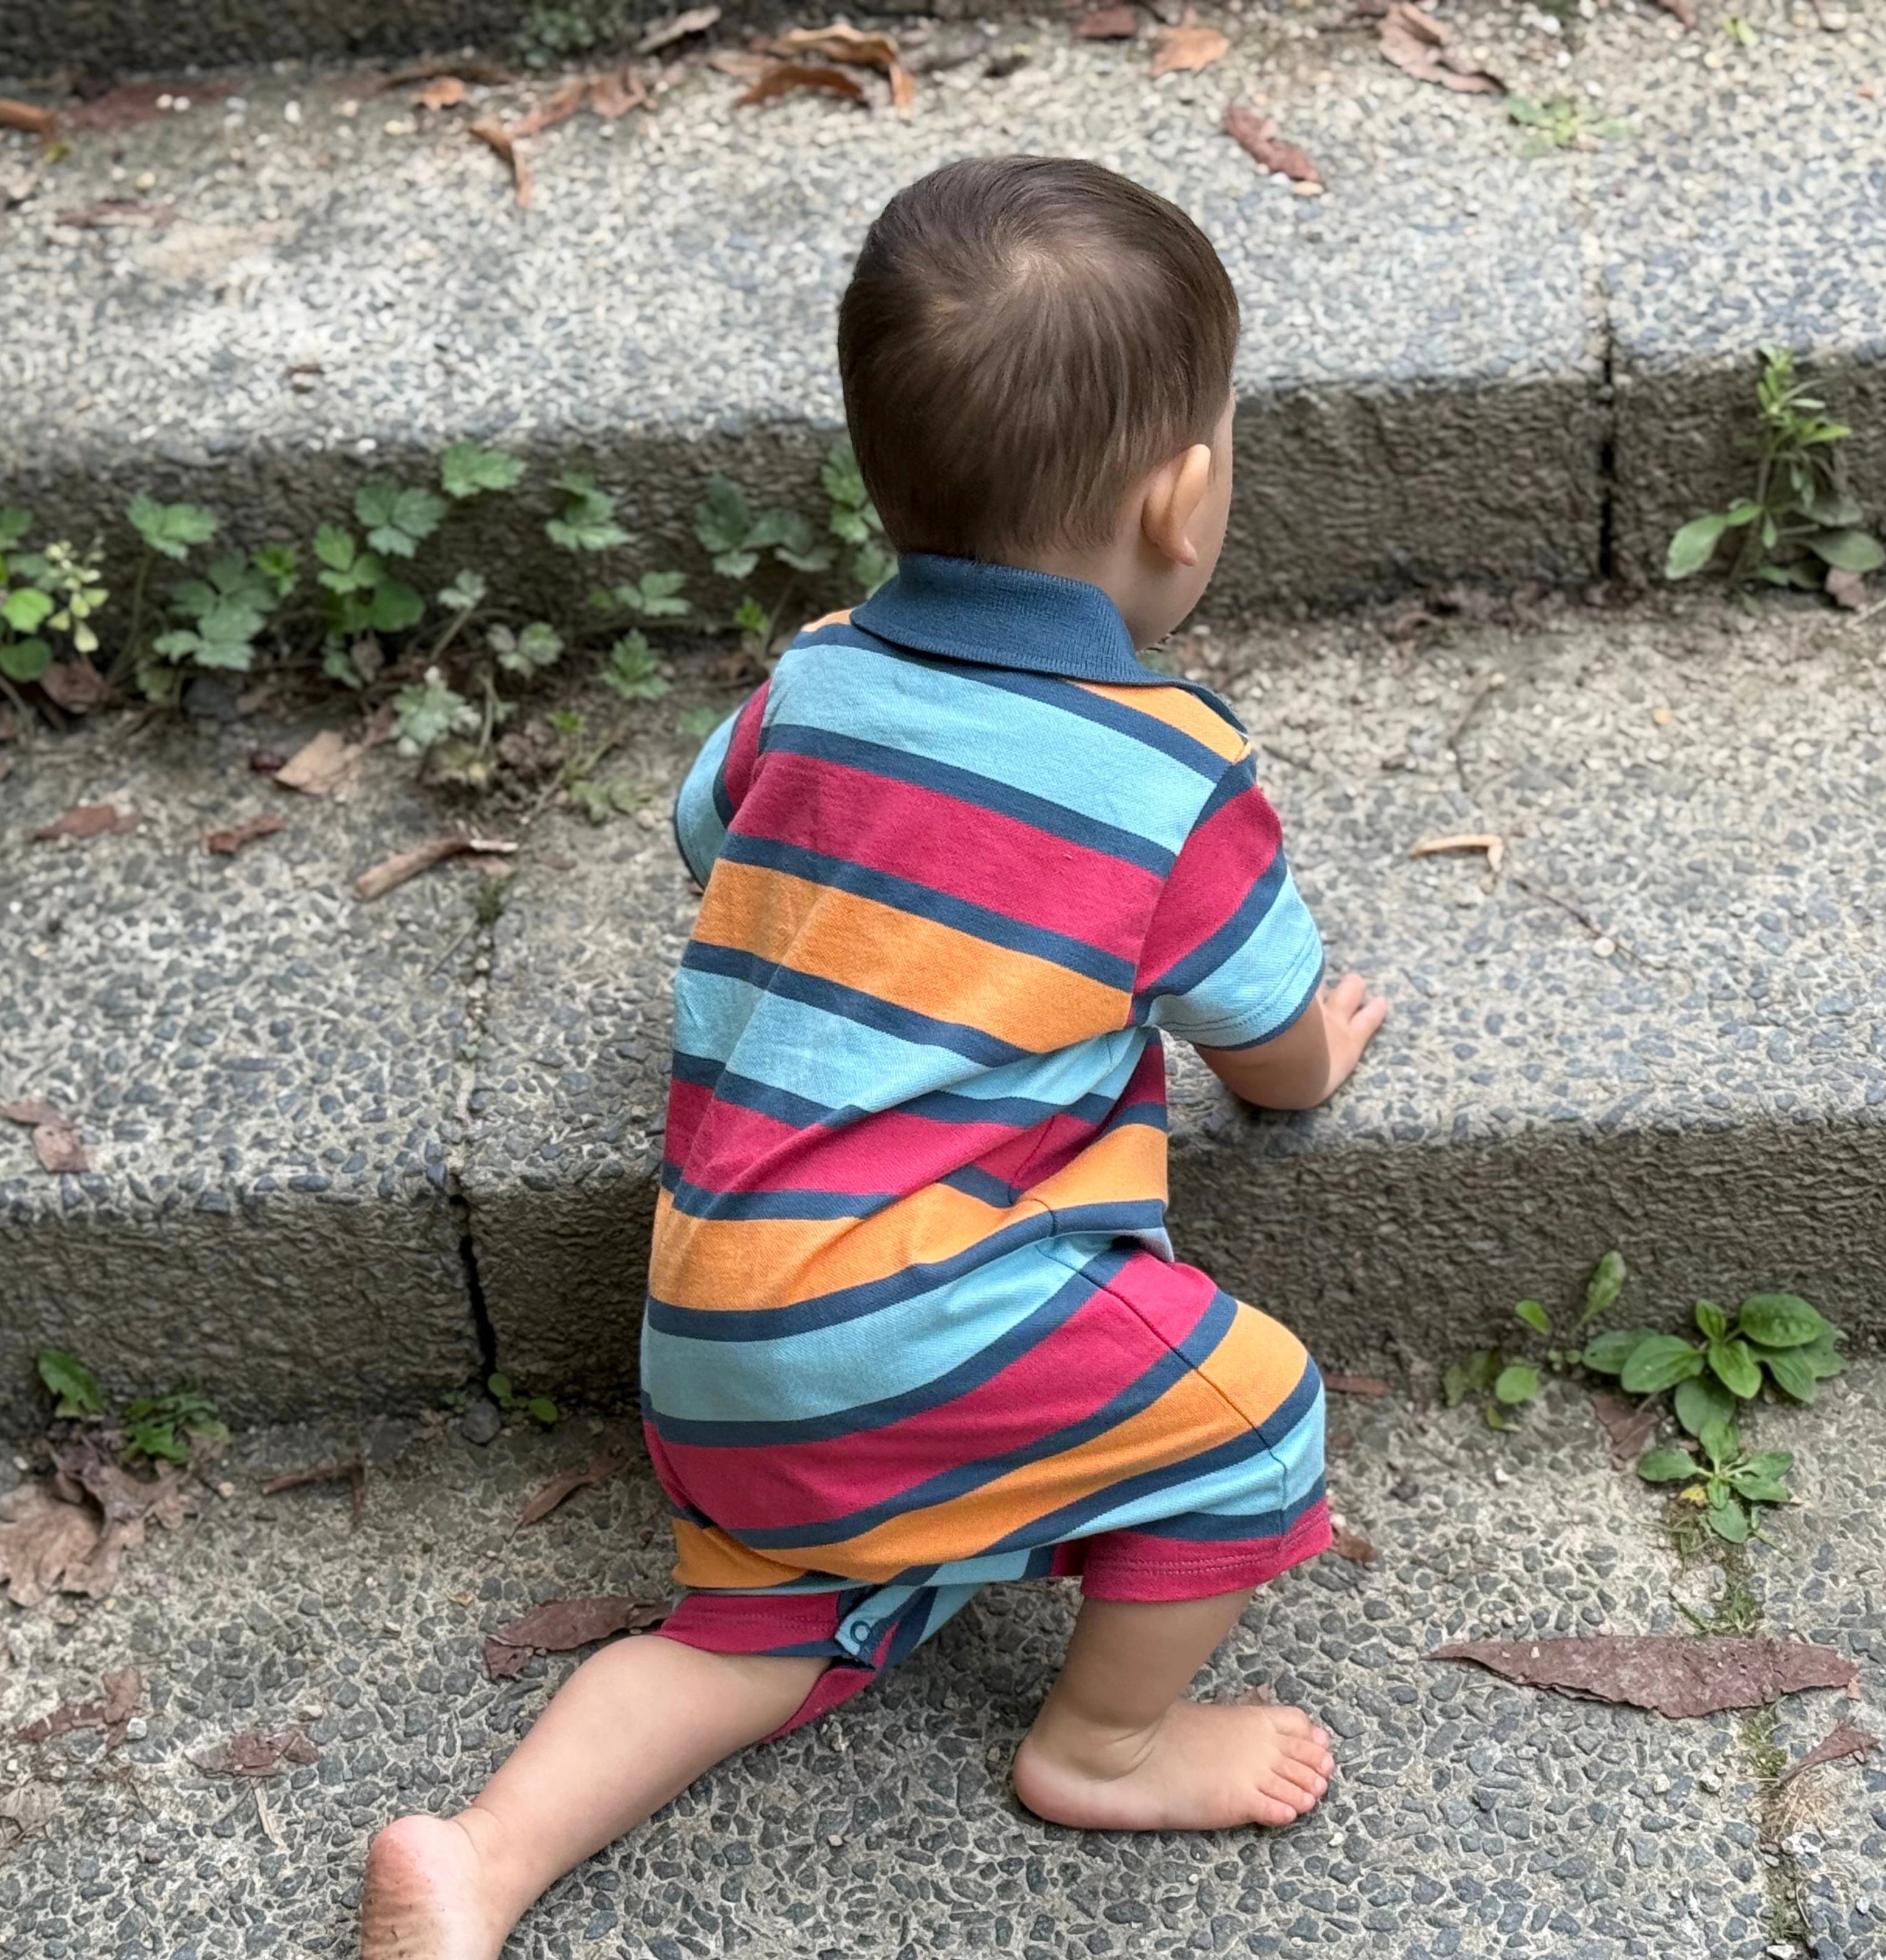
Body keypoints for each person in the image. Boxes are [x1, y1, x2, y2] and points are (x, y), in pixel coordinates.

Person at [361, 152, 1387, 1959]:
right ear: (1185, 499)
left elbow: (708, 824)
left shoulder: (815, 678)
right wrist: (1316, 1050)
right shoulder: (1174, 777)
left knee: (742, 1634)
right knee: (1258, 1413)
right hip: (922, 1313)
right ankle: (1106, 1741)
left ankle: (480, 1856)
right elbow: (1273, 1054)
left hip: (716, 1334)